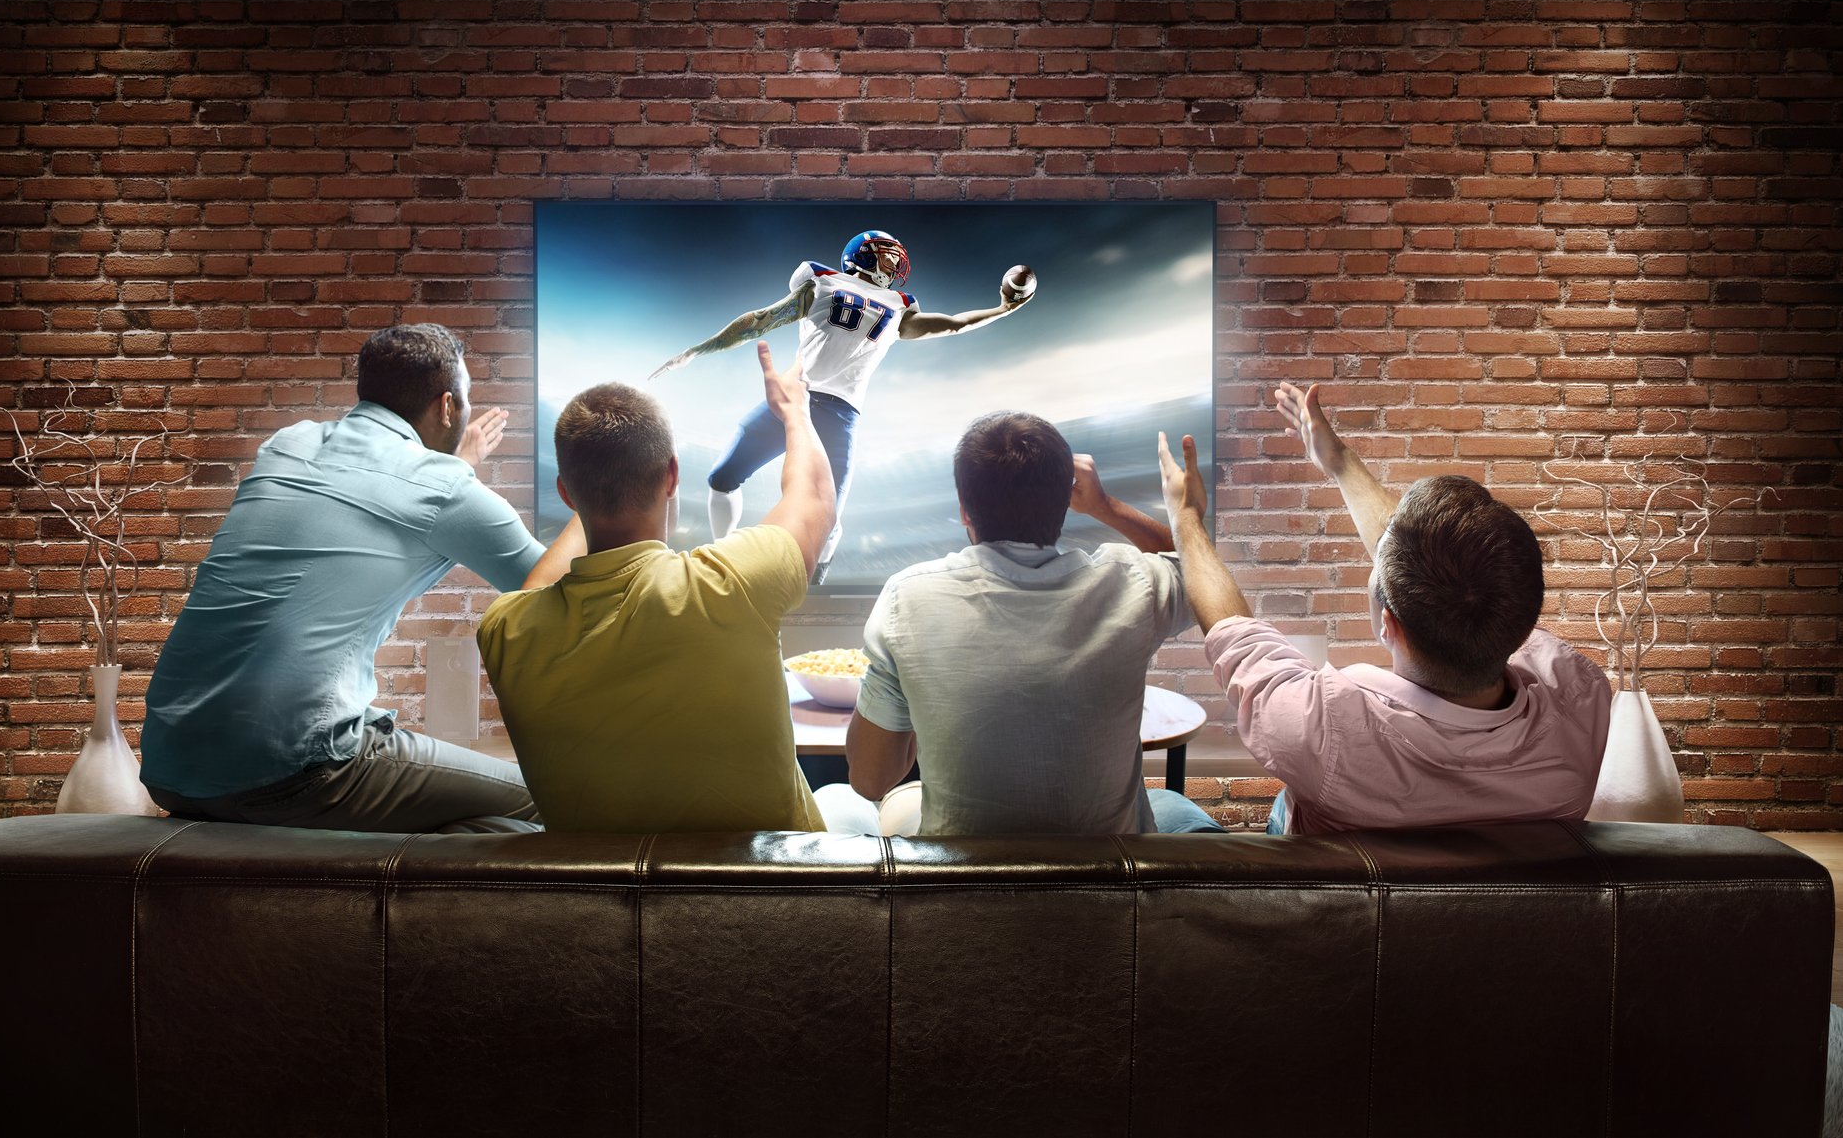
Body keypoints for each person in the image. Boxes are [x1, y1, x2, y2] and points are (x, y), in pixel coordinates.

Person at [1156, 382, 1611, 836]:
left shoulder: (1324, 729)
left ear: (1388, 624)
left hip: (1340, 900)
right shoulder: (1581, 699)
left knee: (1165, 806)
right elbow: (1434, 567)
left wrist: (1185, 516)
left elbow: (1236, 635)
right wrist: (1338, 462)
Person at [143, 324, 547, 834]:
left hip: (172, 764)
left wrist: (456, 466)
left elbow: (386, 494)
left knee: (480, 827)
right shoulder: (443, 488)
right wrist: (590, 494)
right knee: (550, 803)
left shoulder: (287, 445)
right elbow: (553, 589)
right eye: (465, 399)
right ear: (448, 407)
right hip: (295, 769)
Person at [476, 341, 834, 833]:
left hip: (607, 904)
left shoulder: (503, 631)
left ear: (565, 493)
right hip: (770, 901)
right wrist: (793, 410)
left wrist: (593, 487)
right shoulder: (730, 584)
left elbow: (538, 585)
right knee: (847, 800)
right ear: (672, 475)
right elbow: (814, 498)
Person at [818, 411, 1224, 837]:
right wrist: (1106, 506)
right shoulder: (1132, 581)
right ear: (1065, 503)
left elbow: (869, 780)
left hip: (962, 890)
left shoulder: (907, 597)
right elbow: (1199, 570)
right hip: (1109, 889)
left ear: (963, 508)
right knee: (1171, 802)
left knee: (838, 799)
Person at [649, 229, 1034, 583]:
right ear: (863, 255)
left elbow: (953, 324)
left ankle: (816, 582)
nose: (896, 264)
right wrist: (698, 350)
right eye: (887, 255)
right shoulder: (821, 280)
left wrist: (1002, 309)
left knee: (829, 518)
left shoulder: (899, 305)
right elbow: (761, 320)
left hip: (840, 413)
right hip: (795, 399)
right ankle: (723, 552)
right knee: (722, 477)